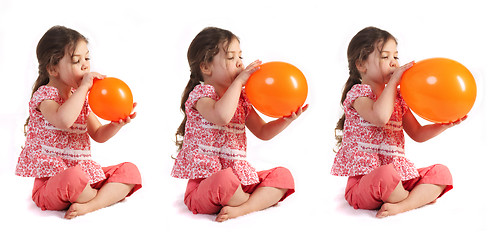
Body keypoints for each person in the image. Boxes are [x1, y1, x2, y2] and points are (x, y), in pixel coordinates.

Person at [172, 27, 308, 222]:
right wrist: (239, 82)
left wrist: (285, 120)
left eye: (240, 56)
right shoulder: (201, 95)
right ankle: (254, 201)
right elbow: (221, 115)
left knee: (283, 176)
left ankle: (243, 207)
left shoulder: (242, 99)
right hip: (206, 186)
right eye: (230, 58)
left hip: (239, 181)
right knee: (224, 178)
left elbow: (262, 131)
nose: (240, 63)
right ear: (206, 68)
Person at [332, 26, 465, 218]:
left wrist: (443, 124)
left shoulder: (399, 99)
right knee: (386, 175)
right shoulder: (358, 94)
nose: (393, 63)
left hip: (399, 178)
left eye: (396, 56)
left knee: (441, 173)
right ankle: (415, 198)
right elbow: (380, 117)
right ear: (361, 65)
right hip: (366, 183)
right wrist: (393, 82)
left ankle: (401, 205)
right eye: (385, 57)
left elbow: (418, 134)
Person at [16, 26, 142, 219]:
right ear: (53, 68)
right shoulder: (45, 97)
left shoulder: (79, 98)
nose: (85, 66)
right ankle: (100, 197)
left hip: (84, 177)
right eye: (76, 60)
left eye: (87, 59)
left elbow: (98, 134)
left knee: (130, 171)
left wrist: (116, 124)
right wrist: (84, 88)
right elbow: (64, 120)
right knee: (74, 177)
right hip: (52, 185)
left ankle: (90, 204)